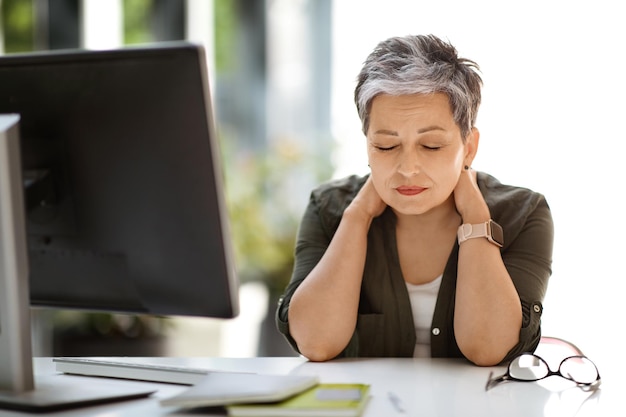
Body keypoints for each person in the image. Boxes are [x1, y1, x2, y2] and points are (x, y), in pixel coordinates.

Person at [275, 34, 553, 366]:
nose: (407, 169)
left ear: (469, 147)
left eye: (431, 146)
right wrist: (358, 216)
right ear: (367, 145)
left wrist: (476, 217)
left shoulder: (524, 214)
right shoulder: (328, 208)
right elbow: (315, 343)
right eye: (386, 146)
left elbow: (488, 348)